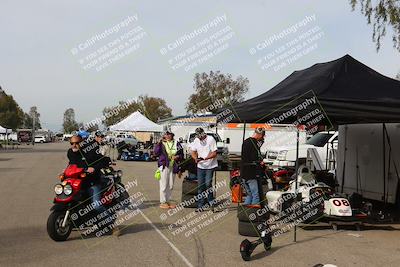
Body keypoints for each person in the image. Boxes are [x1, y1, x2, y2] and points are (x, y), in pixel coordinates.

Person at [154, 131, 183, 209]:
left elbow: (181, 154)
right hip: (164, 165)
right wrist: (159, 143)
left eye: (169, 134)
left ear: (172, 135)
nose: (167, 136)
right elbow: (156, 153)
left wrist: (177, 157)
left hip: (173, 166)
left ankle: (168, 201)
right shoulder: (162, 143)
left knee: (170, 185)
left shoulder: (177, 143)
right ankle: (163, 202)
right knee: (163, 185)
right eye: (166, 134)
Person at [190, 127, 218, 211]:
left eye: (200, 136)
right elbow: (192, 151)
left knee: (208, 184)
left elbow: (214, 153)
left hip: (210, 165)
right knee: (200, 186)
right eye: (198, 136)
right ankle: (200, 205)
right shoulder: (196, 140)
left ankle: (211, 203)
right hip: (200, 166)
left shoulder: (211, 139)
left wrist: (206, 158)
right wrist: (195, 158)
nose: (199, 138)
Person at [241, 127, 266, 206]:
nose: (262, 138)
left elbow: (245, 156)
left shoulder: (246, 141)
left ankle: (245, 211)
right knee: (255, 194)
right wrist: (260, 162)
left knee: (249, 194)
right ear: (260, 134)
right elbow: (254, 157)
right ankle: (254, 214)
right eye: (262, 136)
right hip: (251, 172)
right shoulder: (254, 143)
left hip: (244, 172)